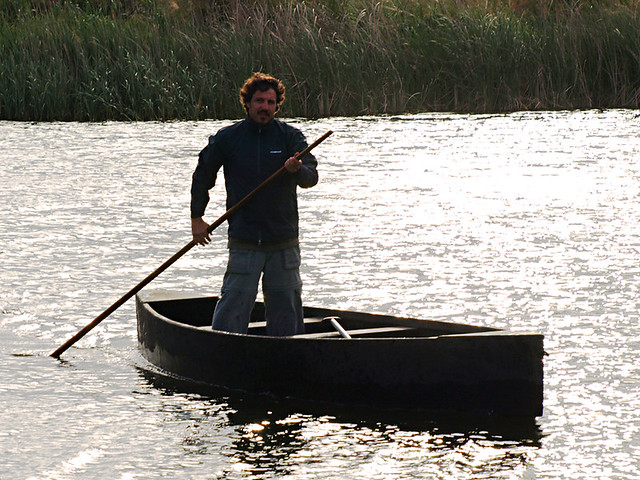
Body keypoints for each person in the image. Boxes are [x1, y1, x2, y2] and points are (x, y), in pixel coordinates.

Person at [190, 72, 318, 336]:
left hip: (283, 241)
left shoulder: (290, 138)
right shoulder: (228, 138)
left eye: (271, 102)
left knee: (287, 312)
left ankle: (288, 359)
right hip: (245, 241)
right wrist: (197, 218)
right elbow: (202, 175)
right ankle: (223, 353)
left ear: (277, 105)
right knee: (232, 306)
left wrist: (296, 170)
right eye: (259, 101)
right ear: (247, 103)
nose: (265, 107)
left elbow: (311, 177)